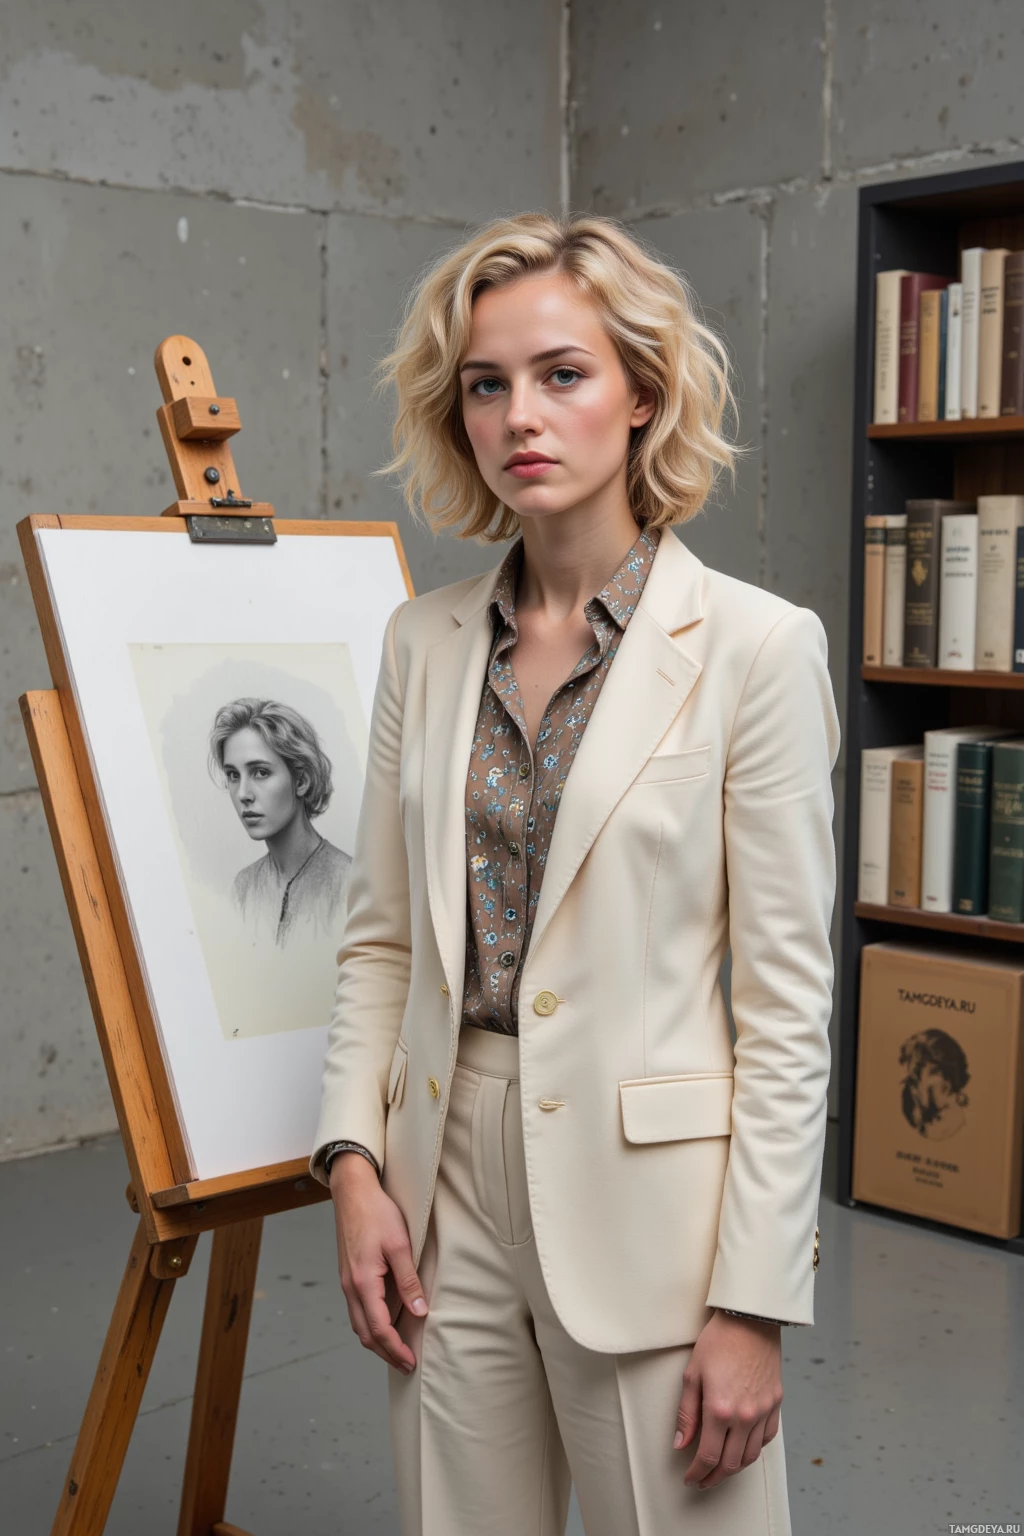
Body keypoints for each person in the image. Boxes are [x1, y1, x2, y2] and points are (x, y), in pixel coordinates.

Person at [310, 211, 840, 1535]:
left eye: (563, 373)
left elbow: (786, 1004)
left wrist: (755, 1301)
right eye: (486, 385)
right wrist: (354, 1164)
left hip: (651, 1200)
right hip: (444, 1180)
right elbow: (380, 939)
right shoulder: (421, 643)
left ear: (643, 394)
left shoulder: (758, 650)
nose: (518, 416)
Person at [210, 697, 351, 947]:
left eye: (261, 772)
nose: (243, 793)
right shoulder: (243, 888)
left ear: (301, 781)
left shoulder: (350, 883)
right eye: (233, 775)